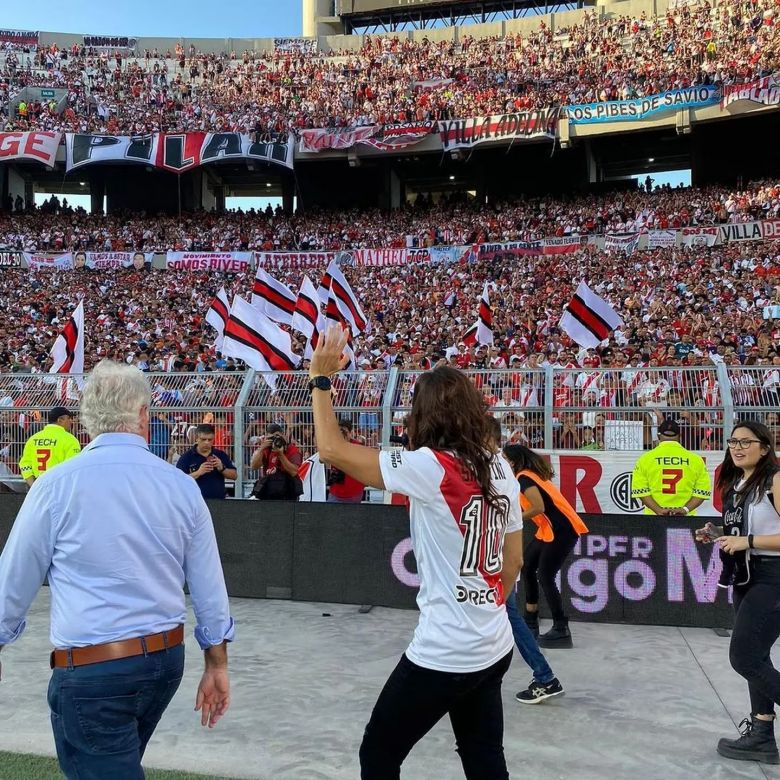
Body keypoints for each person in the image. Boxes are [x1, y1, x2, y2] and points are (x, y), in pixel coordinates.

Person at [0, 360, 234, 779]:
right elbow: (209, 586)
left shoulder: (56, 485)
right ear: (144, 414)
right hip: (164, 661)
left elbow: (12, 582)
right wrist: (217, 663)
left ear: (87, 418)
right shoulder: (180, 485)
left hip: (93, 670)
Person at [309, 324, 524, 779]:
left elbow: (330, 448)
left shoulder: (432, 466)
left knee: (379, 754)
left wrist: (320, 381)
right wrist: (481, 605)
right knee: (483, 755)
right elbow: (514, 563)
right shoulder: (500, 464)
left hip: (447, 649)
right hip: (494, 639)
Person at [696, 421, 780, 765]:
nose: (737, 446)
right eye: (732, 441)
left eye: (746, 441)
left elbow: (754, 537)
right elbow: (743, 530)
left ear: (765, 446)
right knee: (757, 656)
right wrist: (716, 533)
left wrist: (746, 541)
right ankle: (762, 736)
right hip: (746, 576)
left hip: (773, 577)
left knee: (744, 657)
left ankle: (762, 737)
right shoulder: (736, 485)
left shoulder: (775, 479)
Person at [484, 416, 564, 705]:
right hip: (495, 556)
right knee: (510, 614)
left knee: (510, 614)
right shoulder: (503, 471)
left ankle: (544, 674)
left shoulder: (503, 473)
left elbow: (525, 513)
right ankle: (543, 674)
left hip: (492, 560)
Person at [503, 444, 588, 649]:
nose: (501, 462)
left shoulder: (524, 478)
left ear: (512, 461)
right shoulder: (526, 475)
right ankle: (531, 619)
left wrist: (513, 519)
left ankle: (561, 628)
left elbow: (538, 507)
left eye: (504, 458)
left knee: (545, 576)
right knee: (527, 567)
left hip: (562, 530)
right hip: (549, 530)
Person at [631, 418, 712, 516]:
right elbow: (702, 492)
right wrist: (685, 509)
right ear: (680, 436)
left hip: (653, 519)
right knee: (685, 532)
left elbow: (640, 491)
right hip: (687, 519)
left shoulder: (645, 459)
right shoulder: (696, 460)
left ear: (658, 435)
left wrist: (658, 510)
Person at [18, 406, 81, 487]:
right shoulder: (70, 439)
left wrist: (33, 486)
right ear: (60, 420)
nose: (71, 421)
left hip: (38, 486)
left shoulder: (33, 439)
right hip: (59, 486)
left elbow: (25, 465)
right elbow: (73, 467)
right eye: (68, 418)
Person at [176, 423, 237, 500]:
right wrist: (198, 473)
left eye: (210, 439)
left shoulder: (220, 455)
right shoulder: (186, 457)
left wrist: (222, 468)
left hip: (219, 503)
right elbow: (178, 480)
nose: (207, 442)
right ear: (196, 439)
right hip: (195, 502)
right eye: (203, 439)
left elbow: (234, 476)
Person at [249, 423, 302, 500]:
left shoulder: (292, 449)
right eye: (272, 437)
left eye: (277, 436)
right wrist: (261, 448)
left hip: (287, 491)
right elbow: (254, 466)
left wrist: (280, 454)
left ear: (283, 435)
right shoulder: (267, 449)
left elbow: (294, 472)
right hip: (269, 490)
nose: (276, 439)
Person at [326, 419, 367, 503]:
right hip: (336, 492)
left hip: (354, 493)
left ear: (350, 432)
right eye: (339, 431)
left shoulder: (358, 447)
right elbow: (323, 460)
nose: (341, 434)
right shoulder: (332, 446)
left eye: (344, 431)